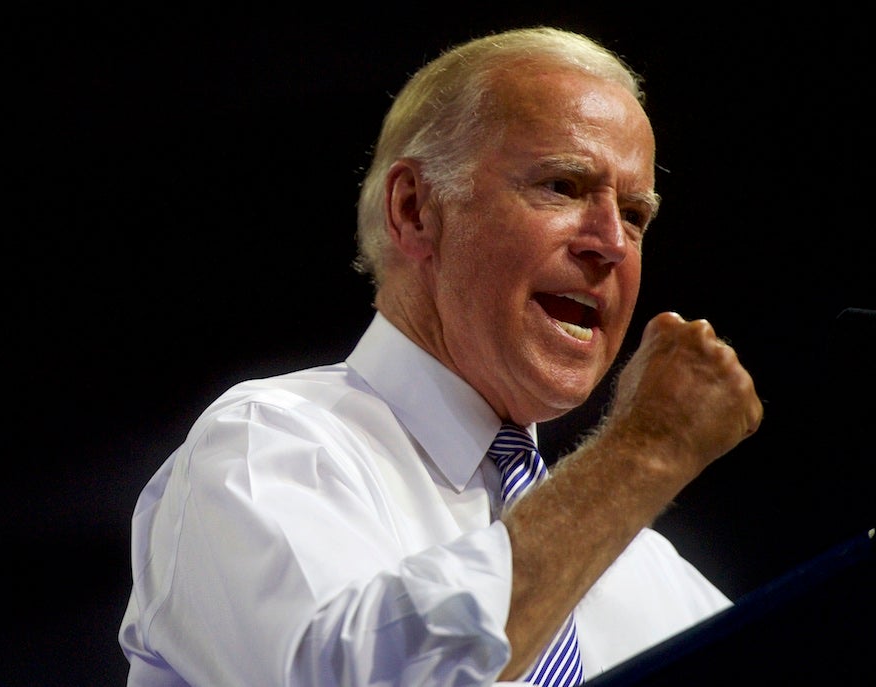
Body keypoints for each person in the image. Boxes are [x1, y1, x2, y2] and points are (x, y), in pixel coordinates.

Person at [118, 26, 763, 686]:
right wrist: (644, 452)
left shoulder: (652, 579)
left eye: (634, 214)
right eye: (563, 186)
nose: (612, 244)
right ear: (414, 210)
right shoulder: (267, 445)